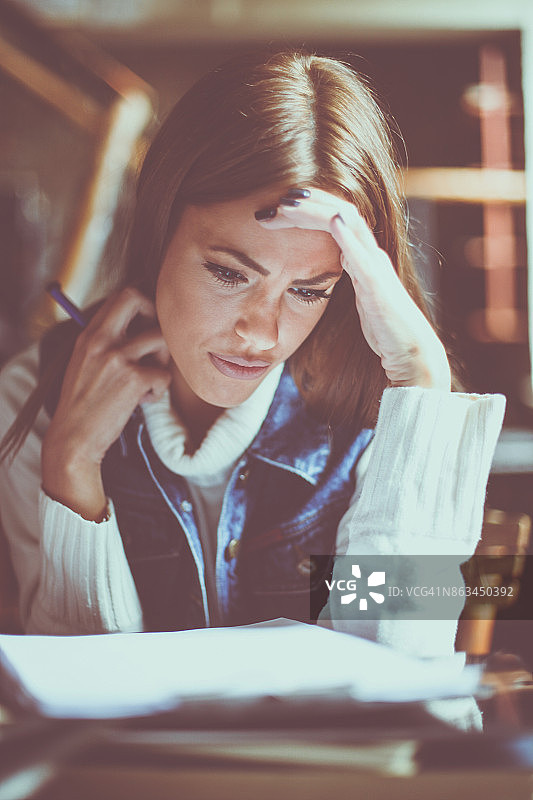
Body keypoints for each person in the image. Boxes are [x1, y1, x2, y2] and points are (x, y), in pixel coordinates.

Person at [0, 50, 504, 657]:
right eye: (228, 273)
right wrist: (73, 463)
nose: (262, 333)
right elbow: (73, 695)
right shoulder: (33, 391)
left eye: (307, 290)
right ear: (159, 232)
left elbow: (396, 676)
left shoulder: (382, 415)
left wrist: (422, 382)